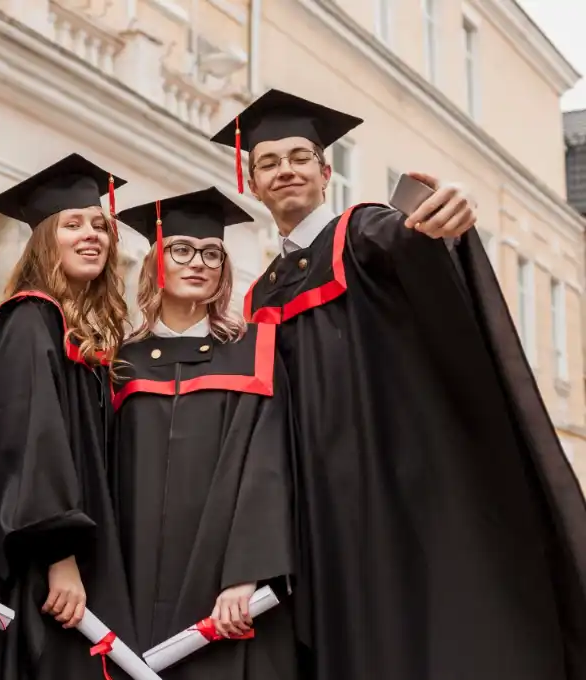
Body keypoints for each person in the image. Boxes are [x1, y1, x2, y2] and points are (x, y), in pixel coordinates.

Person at [209, 89, 586, 680]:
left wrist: (443, 216)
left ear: (326, 173)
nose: (286, 169)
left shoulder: (360, 231)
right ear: (253, 184)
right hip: (312, 500)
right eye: (269, 162)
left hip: (383, 478)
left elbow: (411, 236)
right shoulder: (259, 294)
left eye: (300, 157)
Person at [0, 153, 136, 680]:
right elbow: (32, 442)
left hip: (67, 550)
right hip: (42, 559)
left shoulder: (69, 330)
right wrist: (60, 557)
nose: (91, 234)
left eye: (98, 224)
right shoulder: (31, 318)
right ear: (43, 242)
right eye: (72, 224)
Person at [110, 187, 296, 680]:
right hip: (130, 572)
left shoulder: (253, 353)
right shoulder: (119, 363)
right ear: (155, 264)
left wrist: (245, 574)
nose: (198, 262)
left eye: (212, 253)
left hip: (221, 581)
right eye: (181, 250)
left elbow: (269, 467)